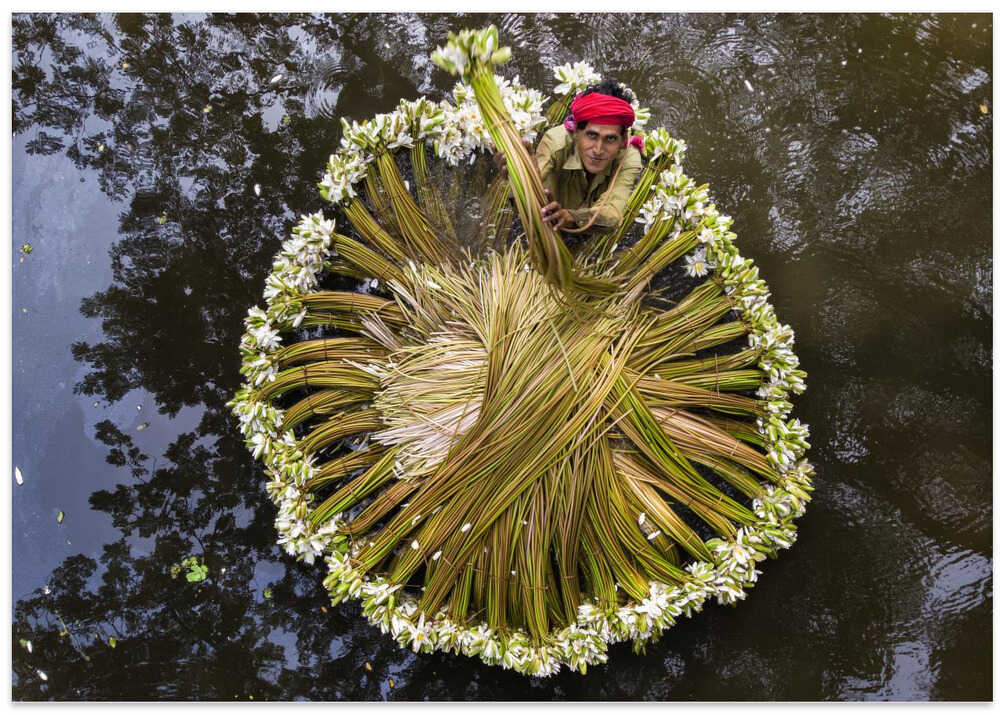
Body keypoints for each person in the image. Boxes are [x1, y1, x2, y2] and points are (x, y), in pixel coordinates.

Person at [535, 79, 643, 234]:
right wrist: (515, 174)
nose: (598, 150)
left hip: (589, 228)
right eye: (592, 135)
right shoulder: (555, 143)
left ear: (623, 140)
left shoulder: (629, 157)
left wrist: (572, 216)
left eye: (610, 139)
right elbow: (529, 190)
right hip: (547, 220)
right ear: (577, 132)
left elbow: (612, 216)